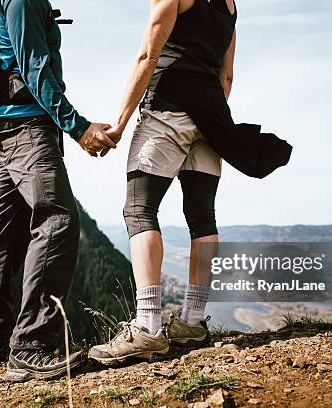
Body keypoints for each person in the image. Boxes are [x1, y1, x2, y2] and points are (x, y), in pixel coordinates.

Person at [0, 0, 116, 381]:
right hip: (27, 127)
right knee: (59, 219)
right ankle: (32, 343)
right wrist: (77, 127)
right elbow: (34, 69)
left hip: (6, 127)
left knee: (3, 232)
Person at [89, 0, 240, 366]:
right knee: (202, 217)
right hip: (213, 116)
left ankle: (148, 327)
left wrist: (120, 124)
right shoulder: (231, 6)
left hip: (168, 109)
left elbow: (147, 55)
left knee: (139, 209)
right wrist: (209, 117)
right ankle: (192, 322)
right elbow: (227, 76)